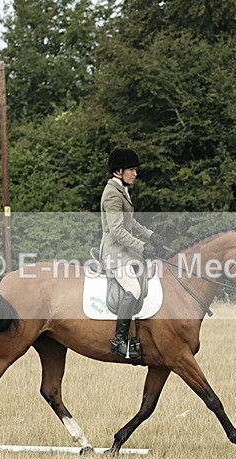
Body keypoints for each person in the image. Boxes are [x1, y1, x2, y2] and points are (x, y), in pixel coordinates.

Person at [99, 147, 163, 359]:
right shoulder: (112, 194)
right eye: (132, 170)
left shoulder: (121, 190)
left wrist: (151, 235)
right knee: (134, 290)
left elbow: (130, 222)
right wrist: (142, 247)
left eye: (135, 170)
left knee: (147, 281)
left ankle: (137, 338)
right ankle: (119, 340)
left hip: (126, 252)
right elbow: (116, 230)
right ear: (118, 171)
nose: (135, 174)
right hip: (115, 253)